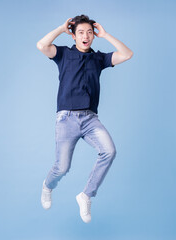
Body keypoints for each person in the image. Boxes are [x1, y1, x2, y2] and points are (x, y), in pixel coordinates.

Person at [37, 14, 133, 223]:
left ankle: (86, 195)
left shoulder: (98, 59)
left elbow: (127, 54)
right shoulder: (63, 54)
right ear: (74, 35)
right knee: (62, 167)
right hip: (66, 118)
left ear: (93, 36)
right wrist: (61, 29)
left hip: (90, 119)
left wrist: (106, 35)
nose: (86, 36)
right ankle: (47, 186)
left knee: (109, 151)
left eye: (89, 32)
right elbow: (42, 45)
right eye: (81, 32)